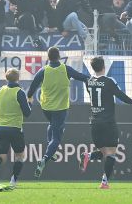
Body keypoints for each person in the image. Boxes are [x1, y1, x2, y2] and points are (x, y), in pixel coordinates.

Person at [27, 46, 89, 177]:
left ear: (48, 57)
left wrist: (30, 97)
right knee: (57, 137)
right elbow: (83, 77)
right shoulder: (66, 69)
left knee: (52, 125)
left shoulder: (43, 71)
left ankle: (52, 152)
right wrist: (91, 83)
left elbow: (32, 86)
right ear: (59, 56)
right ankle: (44, 159)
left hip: (46, 108)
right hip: (60, 108)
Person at [79, 56, 132, 189]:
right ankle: (104, 182)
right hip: (108, 122)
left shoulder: (89, 82)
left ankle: (88, 156)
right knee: (111, 153)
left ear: (93, 67)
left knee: (103, 152)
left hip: (94, 122)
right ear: (104, 66)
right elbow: (119, 94)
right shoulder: (109, 81)